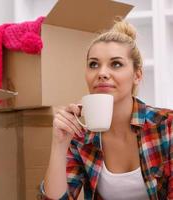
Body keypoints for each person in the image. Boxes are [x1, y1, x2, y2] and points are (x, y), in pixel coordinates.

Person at [40, 18, 173, 200]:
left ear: (137, 75)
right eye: (94, 64)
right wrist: (59, 145)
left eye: (116, 64)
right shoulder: (79, 137)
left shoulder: (167, 126)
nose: (101, 73)